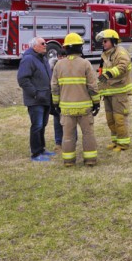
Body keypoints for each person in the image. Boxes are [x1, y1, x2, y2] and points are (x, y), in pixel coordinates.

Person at [51, 33, 100, 167]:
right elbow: (93, 86)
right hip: (85, 108)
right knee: (88, 134)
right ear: (80, 47)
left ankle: (68, 161)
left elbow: (54, 87)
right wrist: (96, 103)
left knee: (67, 136)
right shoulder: (85, 64)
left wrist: (56, 104)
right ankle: (90, 160)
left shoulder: (58, 65)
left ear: (66, 48)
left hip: (66, 109)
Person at [17, 37, 54, 161]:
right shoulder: (28, 59)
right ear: (34, 46)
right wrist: (35, 93)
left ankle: (42, 149)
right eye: (42, 43)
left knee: (43, 125)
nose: (45, 45)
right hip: (35, 99)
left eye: (46, 43)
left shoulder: (42, 58)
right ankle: (36, 153)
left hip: (45, 98)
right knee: (37, 125)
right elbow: (22, 79)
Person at [96, 29, 132, 152]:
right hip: (108, 92)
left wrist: (109, 74)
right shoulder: (105, 54)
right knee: (110, 119)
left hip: (119, 92)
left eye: (105, 41)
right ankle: (116, 141)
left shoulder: (120, 53)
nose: (103, 43)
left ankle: (123, 144)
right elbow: (102, 72)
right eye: (102, 41)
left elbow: (123, 67)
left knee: (119, 119)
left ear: (113, 41)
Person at [48, 47, 68, 152]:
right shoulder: (52, 67)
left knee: (70, 122)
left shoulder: (70, 67)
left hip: (68, 99)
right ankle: (58, 142)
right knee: (57, 121)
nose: (62, 58)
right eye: (61, 56)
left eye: (65, 56)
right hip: (57, 99)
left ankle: (71, 140)